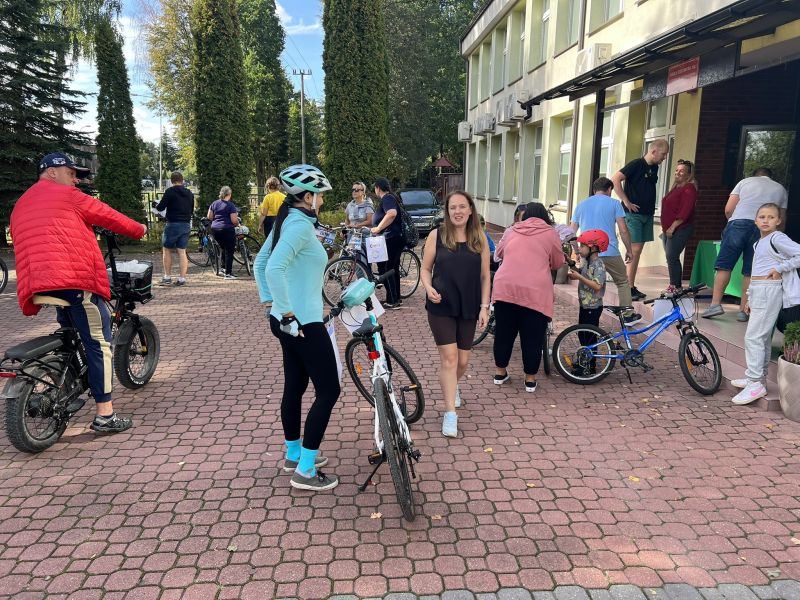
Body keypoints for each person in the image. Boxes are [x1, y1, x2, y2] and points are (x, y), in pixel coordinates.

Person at [10, 152, 147, 433]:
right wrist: (140, 229)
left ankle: (65, 379)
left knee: (71, 333)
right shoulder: (68, 196)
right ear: (52, 172)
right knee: (99, 343)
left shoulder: (22, 202)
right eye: (71, 173)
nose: (76, 180)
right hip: (72, 281)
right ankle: (105, 415)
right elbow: (110, 216)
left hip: (37, 283)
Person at [253, 163, 340, 491]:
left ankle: (294, 454)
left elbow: (261, 262)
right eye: (319, 195)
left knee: (296, 385)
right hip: (302, 322)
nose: (321, 200)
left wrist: (271, 305)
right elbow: (273, 267)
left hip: (287, 321)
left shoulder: (289, 219)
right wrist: (288, 313)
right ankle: (305, 470)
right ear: (307, 196)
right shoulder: (300, 226)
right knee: (329, 390)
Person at [421, 191, 491, 438]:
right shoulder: (437, 235)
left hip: (468, 306)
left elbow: (485, 276)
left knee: (462, 362)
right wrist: (428, 288)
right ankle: (450, 413)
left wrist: (485, 307)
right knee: (450, 360)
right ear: (447, 211)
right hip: (441, 306)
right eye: (453, 207)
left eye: (462, 206)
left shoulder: (480, 238)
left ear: (471, 210)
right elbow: (425, 269)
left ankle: (453, 385)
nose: (457, 211)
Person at [731, 203, 800, 404]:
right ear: (755, 221)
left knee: (754, 337)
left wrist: (780, 267)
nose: (766, 220)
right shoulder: (758, 243)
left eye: (771, 217)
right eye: (762, 217)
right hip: (760, 289)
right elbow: (755, 272)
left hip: (769, 289)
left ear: (778, 221)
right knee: (762, 337)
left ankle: (755, 383)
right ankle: (757, 377)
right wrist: (749, 297)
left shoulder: (777, 238)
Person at [492, 202, 565, 392]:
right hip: (535, 291)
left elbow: (499, 253)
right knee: (532, 336)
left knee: (504, 333)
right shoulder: (550, 233)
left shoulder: (511, 230)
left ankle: (500, 373)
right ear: (545, 216)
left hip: (505, 288)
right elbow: (558, 262)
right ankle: (530, 380)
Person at [701, 167, 789, 321]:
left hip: (738, 223)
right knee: (750, 270)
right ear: (771, 176)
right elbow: (781, 219)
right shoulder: (780, 189)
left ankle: (715, 305)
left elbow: (729, 209)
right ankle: (743, 311)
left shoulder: (744, 182)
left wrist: (732, 223)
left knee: (724, 266)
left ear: (755, 175)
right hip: (762, 229)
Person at [570, 177, 641, 325]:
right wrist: (629, 250)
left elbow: (571, 232)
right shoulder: (614, 203)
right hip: (610, 251)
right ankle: (627, 314)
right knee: (622, 281)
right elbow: (623, 230)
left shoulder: (581, 205)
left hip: (588, 253)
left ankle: (587, 316)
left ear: (594, 190)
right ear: (609, 189)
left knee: (588, 282)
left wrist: (576, 251)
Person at [611, 138, 670, 300]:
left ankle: (631, 285)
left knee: (638, 251)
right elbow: (615, 179)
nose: (665, 157)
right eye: (663, 154)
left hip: (647, 214)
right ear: (653, 151)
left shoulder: (654, 167)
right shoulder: (636, 164)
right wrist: (626, 201)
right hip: (633, 215)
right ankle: (627, 287)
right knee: (634, 250)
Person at [567, 230, 609, 377]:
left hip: (593, 306)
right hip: (585, 305)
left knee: (590, 336)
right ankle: (585, 359)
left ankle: (590, 366)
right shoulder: (588, 262)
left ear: (593, 248)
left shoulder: (599, 265)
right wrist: (571, 263)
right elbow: (582, 274)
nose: (580, 249)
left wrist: (579, 277)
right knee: (583, 334)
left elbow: (597, 285)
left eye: (583, 246)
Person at [659, 159, 697, 294]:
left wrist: (673, 227)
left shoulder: (689, 188)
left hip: (680, 228)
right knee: (670, 258)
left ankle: (676, 286)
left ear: (689, 174)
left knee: (672, 256)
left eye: (681, 171)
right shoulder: (675, 188)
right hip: (668, 229)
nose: (677, 173)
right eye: (676, 170)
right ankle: (674, 285)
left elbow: (685, 210)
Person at [155, 171, 194, 286]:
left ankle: (167, 277)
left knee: (167, 249)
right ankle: (182, 279)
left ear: (172, 181)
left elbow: (160, 207)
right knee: (182, 251)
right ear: (182, 181)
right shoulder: (189, 193)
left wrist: (156, 205)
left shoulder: (170, 192)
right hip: (186, 224)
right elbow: (191, 209)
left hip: (173, 224)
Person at [371, 177, 403, 309]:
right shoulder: (392, 197)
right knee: (393, 269)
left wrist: (378, 228)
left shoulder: (387, 199)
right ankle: (395, 297)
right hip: (395, 237)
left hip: (391, 238)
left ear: (378, 188)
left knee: (387, 269)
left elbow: (391, 213)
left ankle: (393, 300)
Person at [207, 186, 240, 279]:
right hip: (227, 229)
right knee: (229, 250)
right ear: (229, 194)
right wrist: (238, 224)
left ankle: (223, 268)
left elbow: (209, 216)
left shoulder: (214, 203)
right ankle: (228, 273)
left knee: (222, 249)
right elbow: (234, 220)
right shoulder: (230, 205)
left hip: (215, 230)